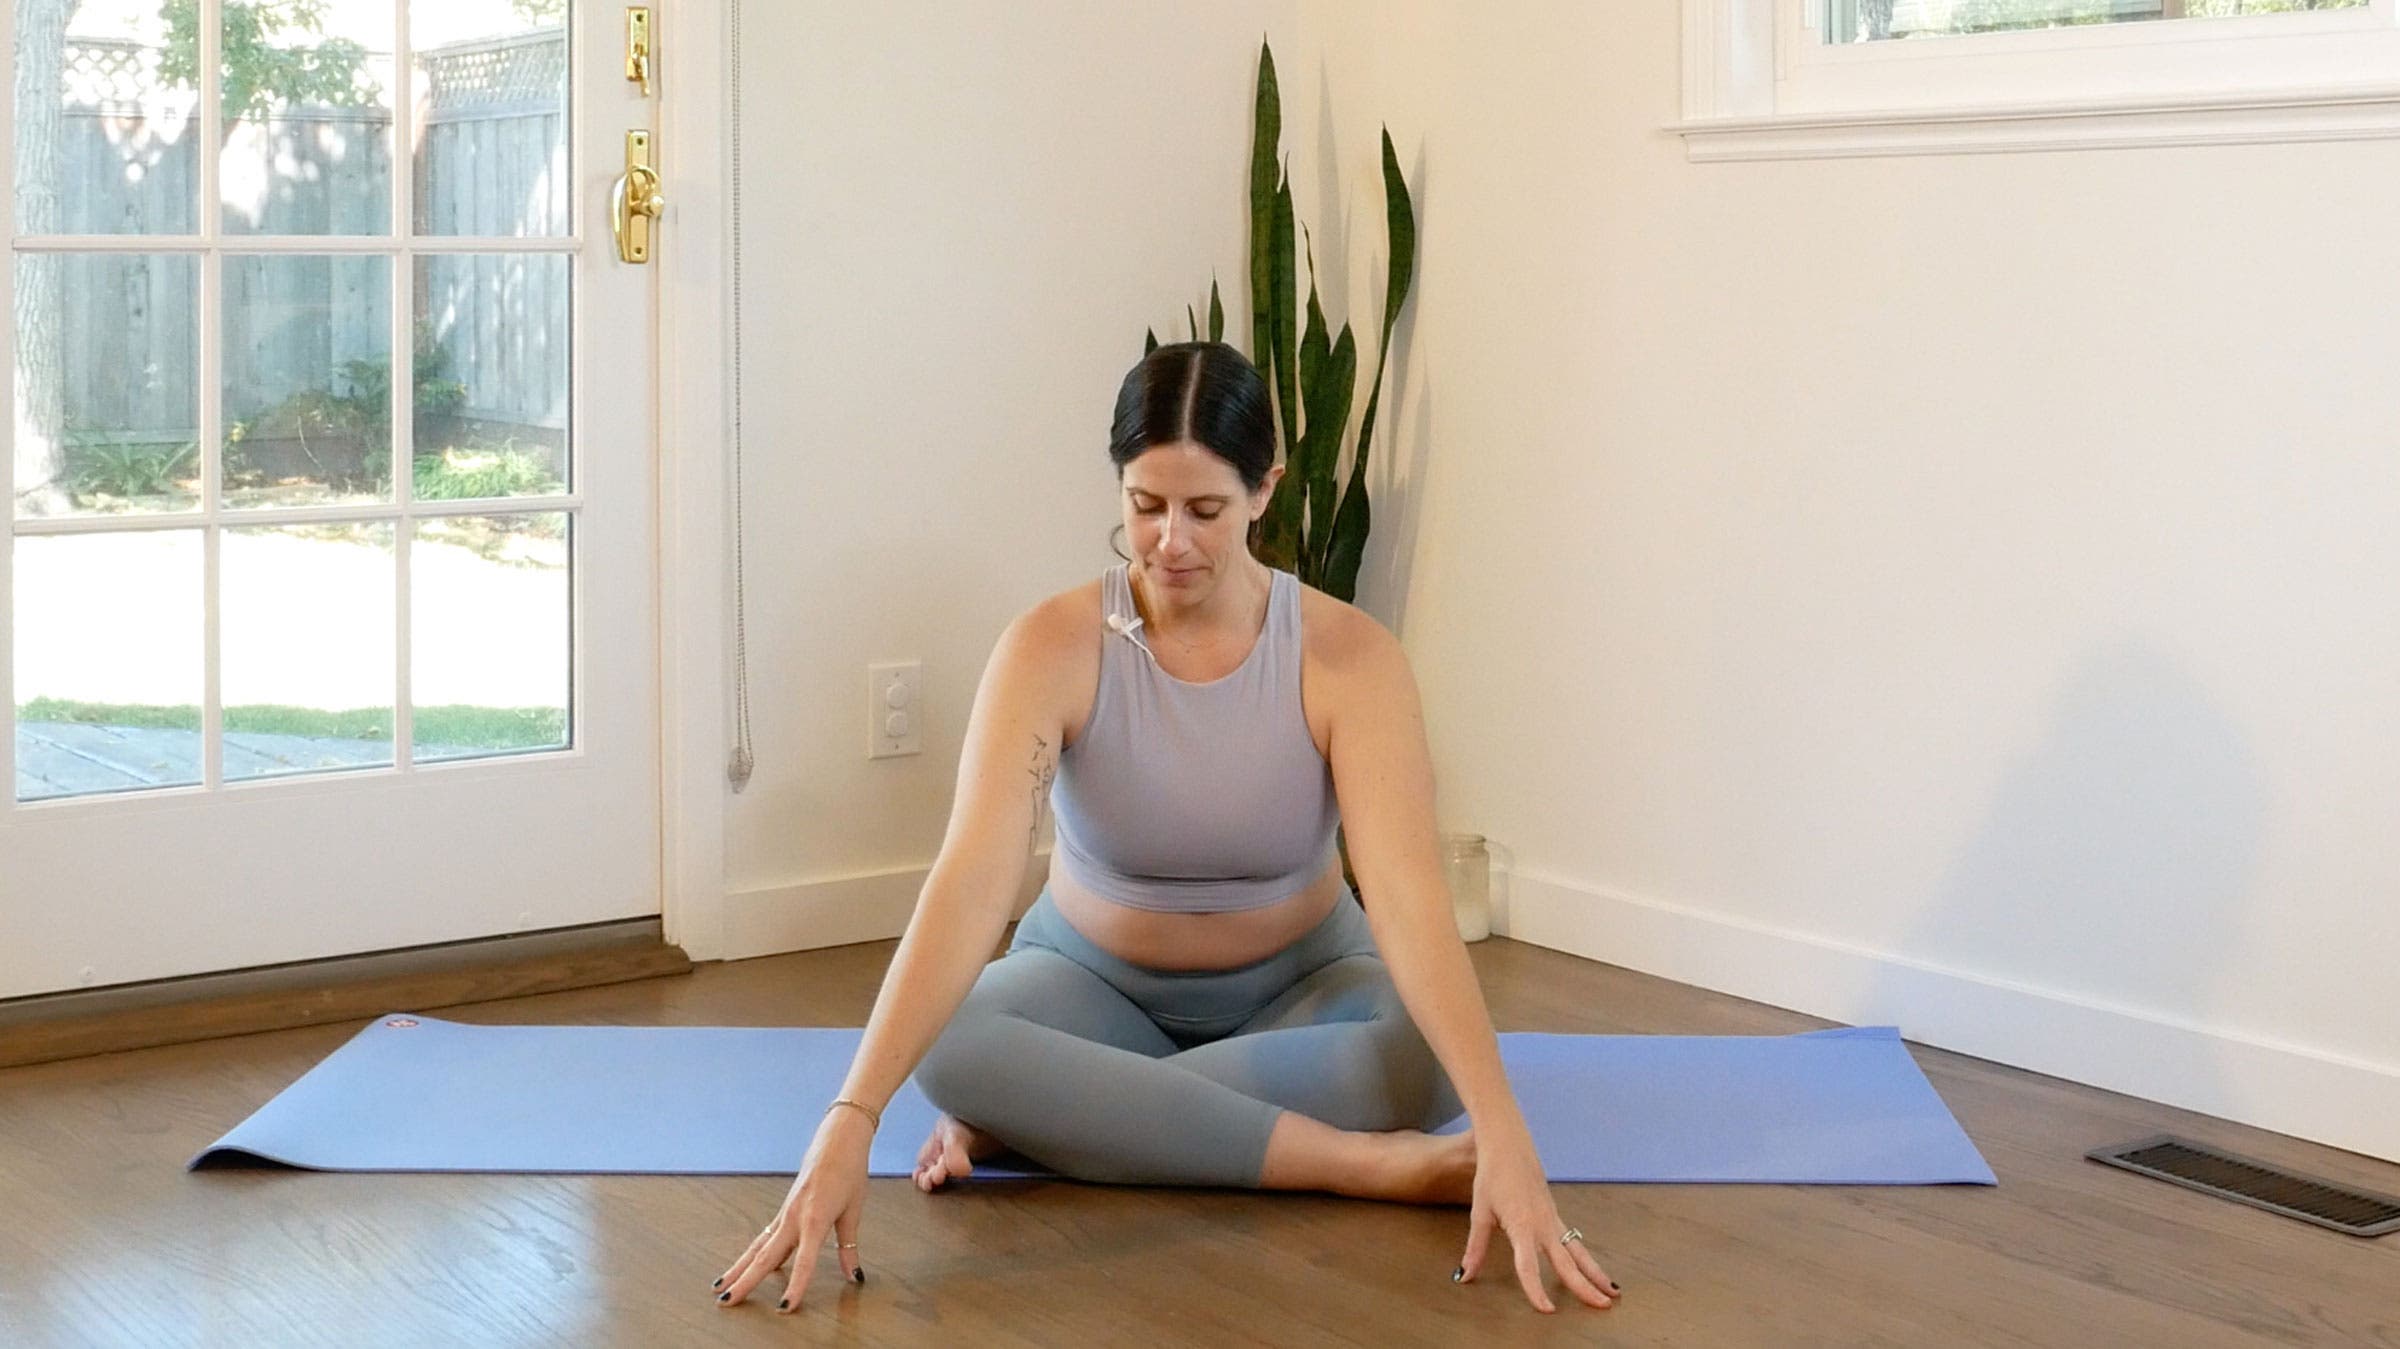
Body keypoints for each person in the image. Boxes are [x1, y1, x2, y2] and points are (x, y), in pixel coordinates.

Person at [713, 342, 1619, 1318]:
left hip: (1307, 986)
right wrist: (850, 1119)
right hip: (1088, 982)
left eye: (1206, 510)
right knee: (959, 1045)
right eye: (1145, 505)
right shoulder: (1049, 646)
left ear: (1266, 488)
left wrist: (1506, 1131)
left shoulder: (1350, 657)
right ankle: (1366, 1165)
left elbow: (1405, 896)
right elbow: (972, 880)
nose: (1170, 542)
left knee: (1426, 1051)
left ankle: (1066, 1117)